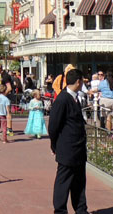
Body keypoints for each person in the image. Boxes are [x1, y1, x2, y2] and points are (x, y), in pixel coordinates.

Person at [48, 68, 89, 214]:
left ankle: (81, 209)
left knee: (79, 182)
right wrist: (54, 144)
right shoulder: (63, 99)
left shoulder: (75, 98)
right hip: (67, 147)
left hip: (78, 148)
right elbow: (53, 125)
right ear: (78, 82)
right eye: (82, 81)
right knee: (64, 181)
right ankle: (60, 210)